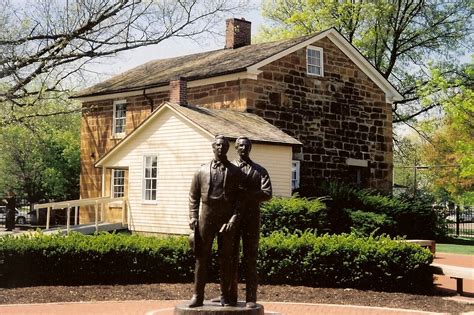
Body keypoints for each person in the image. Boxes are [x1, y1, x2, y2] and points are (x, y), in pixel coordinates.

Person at [188, 135, 242, 307]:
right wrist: (193, 216)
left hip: (225, 218)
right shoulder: (201, 171)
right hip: (206, 215)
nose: (221, 148)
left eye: (224, 146)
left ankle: (225, 296)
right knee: (201, 258)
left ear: (228, 149)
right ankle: (198, 295)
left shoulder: (235, 172)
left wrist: (233, 218)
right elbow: (193, 196)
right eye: (218, 145)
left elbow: (240, 200)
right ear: (213, 147)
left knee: (226, 259)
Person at [232, 136, 272, 308]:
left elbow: (267, 193)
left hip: (251, 220)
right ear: (236, 147)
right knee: (229, 258)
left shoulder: (259, 170)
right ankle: (228, 295)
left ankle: (251, 297)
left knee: (250, 259)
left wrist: (247, 194)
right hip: (232, 219)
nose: (243, 148)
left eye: (246, 146)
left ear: (250, 148)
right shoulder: (229, 169)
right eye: (240, 146)